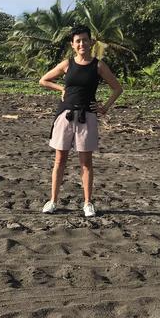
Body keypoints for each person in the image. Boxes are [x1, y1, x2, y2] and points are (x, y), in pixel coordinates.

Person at [37, 26, 123, 217]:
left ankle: (87, 203)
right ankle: (53, 201)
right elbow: (44, 80)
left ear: (91, 42)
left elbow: (117, 88)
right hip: (65, 116)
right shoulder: (67, 64)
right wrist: (61, 88)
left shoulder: (98, 66)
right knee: (60, 160)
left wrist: (105, 107)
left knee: (86, 163)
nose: (82, 44)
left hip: (87, 117)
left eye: (85, 40)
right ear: (73, 45)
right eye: (78, 41)